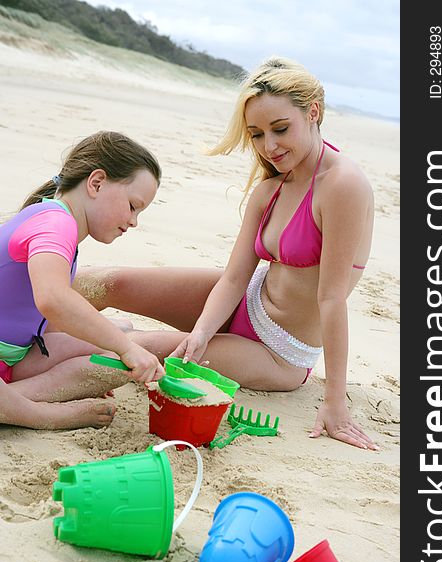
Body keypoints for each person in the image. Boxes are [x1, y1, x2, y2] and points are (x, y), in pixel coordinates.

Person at [74, 58, 378, 450]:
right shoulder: (271, 189)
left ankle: (26, 362)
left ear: (313, 112)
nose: (269, 146)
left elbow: (332, 298)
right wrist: (201, 331)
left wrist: (335, 403)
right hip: (246, 299)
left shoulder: (343, 185)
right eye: (256, 134)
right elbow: (234, 277)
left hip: (280, 351)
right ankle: (15, 306)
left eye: (281, 129)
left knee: (142, 347)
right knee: (110, 282)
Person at [0, 131, 166, 430]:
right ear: (96, 183)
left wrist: (115, 342)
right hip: (8, 356)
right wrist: (126, 347)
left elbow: (31, 316)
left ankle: (13, 401)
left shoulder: (61, 226)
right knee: (123, 347)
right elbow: (53, 299)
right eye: (132, 206)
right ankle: (42, 415)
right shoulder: (55, 223)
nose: (134, 221)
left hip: (11, 355)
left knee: (114, 357)